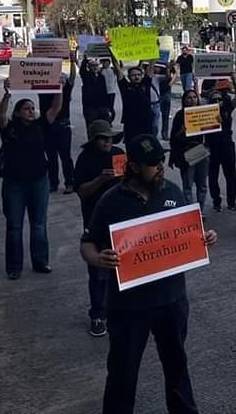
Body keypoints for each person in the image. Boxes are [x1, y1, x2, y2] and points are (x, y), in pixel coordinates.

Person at [80, 134, 217, 414]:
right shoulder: (111, 201)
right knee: (122, 374)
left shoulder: (172, 192)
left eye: (161, 160)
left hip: (171, 301)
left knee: (177, 368)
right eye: (153, 163)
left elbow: (190, 231)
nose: (160, 167)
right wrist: (98, 258)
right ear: (133, 167)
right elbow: (87, 244)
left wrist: (205, 237)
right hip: (129, 307)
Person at [0, 77, 63, 279]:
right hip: (14, 183)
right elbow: (1, 115)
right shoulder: (10, 127)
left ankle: (40, 261)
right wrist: (7, 95)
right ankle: (14, 267)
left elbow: (55, 109)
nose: (31, 111)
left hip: (38, 181)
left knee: (39, 223)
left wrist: (59, 88)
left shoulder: (40, 125)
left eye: (33, 108)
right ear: (18, 112)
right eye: (26, 108)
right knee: (14, 226)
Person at [74, 119, 124, 338]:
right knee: (99, 273)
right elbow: (81, 191)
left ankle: (121, 310)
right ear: (94, 140)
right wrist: (101, 179)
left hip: (120, 222)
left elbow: (129, 182)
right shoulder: (85, 159)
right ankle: (98, 315)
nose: (107, 142)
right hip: (96, 224)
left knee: (122, 269)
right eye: (103, 138)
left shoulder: (118, 154)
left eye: (110, 138)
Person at [40, 59, 77, 194]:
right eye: (58, 78)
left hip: (62, 125)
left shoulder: (66, 89)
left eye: (63, 79)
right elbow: (33, 76)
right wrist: (32, 60)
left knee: (65, 156)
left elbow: (73, 77)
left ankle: (70, 182)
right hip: (47, 125)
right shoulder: (44, 89)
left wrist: (72, 62)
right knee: (51, 157)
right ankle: (53, 182)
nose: (61, 80)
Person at [204, 78, 236, 212]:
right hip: (212, 147)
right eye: (214, 100)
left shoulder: (227, 108)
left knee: (231, 176)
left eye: (219, 99)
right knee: (213, 176)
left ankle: (232, 201)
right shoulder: (206, 113)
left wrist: (234, 81)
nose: (217, 102)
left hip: (227, 146)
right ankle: (216, 201)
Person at [169, 90, 209, 210]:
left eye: (194, 97)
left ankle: (200, 210)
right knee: (188, 185)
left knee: (202, 184)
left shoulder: (202, 113)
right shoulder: (180, 115)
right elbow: (174, 138)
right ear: (184, 100)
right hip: (186, 152)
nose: (192, 100)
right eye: (189, 98)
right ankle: (190, 211)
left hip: (201, 150)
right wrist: (182, 131)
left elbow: (211, 131)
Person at [114, 56, 153, 142]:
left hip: (146, 123)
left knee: (147, 146)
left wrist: (155, 51)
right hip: (130, 124)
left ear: (142, 76)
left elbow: (151, 66)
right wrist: (112, 53)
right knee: (132, 146)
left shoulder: (145, 84)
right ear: (129, 76)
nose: (136, 77)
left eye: (138, 75)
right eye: (133, 75)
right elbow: (117, 69)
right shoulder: (125, 86)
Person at [81, 56, 112, 126]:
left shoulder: (101, 77)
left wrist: (108, 106)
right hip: (90, 107)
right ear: (89, 67)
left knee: (104, 126)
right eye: (93, 65)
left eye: (96, 65)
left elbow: (105, 91)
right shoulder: (86, 76)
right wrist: (86, 59)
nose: (95, 67)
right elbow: (82, 69)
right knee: (92, 126)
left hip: (102, 106)